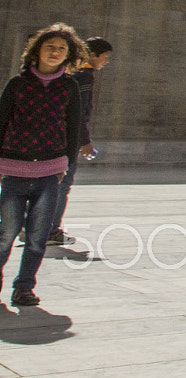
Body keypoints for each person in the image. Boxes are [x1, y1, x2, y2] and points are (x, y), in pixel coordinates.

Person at [0, 23, 86, 308]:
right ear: (36, 50)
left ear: (68, 55)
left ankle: (24, 287)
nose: (55, 52)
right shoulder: (18, 84)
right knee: (6, 233)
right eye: (50, 46)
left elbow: (73, 126)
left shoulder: (69, 87)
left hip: (50, 171)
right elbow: (2, 122)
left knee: (38, 236)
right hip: (14, 168)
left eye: (62, 49)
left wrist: (67, 163)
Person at [47, 35, 112, 246]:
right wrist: (84, 140)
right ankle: (49, 231)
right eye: (105, 56)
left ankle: (34, 226)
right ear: (92, 54)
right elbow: (78, 111)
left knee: (49, 183)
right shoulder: (84, 76)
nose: (106, 61)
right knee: (61, 184)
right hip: (69, 139)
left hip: (57, 136)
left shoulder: (72, 72)